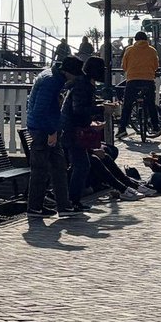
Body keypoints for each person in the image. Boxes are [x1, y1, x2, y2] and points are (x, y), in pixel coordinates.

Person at [24, 59, 75, 218]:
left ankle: (60, 206)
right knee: (42, 170)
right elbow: (40, 110)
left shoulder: (51, 76)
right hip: (43, 130)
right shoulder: (51, 82)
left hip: (44, 127)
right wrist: (51, 131)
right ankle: (35, 208)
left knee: (57, 168)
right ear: (68, 72)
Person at [60, 55, 107, 211]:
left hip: (71, 129)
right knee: (81, 165)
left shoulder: (82, 83)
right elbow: (79, 109)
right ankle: (72, 200)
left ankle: (71, 199)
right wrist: (101, 109)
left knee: (80, 165)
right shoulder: (84, 86)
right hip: (73, 130)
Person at [116, 31, 160, 139]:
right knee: (150, 103)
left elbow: (124, 66)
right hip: (148, 80)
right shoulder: (152, 50)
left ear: (135, 40)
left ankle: (122, 129)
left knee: (127, 105)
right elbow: (156, 66)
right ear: (146, 40)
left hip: (133, 80)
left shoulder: (129, 50)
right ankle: (155, 126)